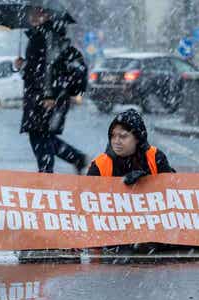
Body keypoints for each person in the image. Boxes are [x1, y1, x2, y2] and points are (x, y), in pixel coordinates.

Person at [88, 109, 179, 253]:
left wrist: (146, 183)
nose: (116, 141)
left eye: (123, 136)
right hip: (115, 231)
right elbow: (86, 204)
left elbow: (174, 194)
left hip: (154, 227)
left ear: (137, 138)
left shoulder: (156, 157)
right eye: (113, 136)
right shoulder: (100, 164)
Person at [14, 8, 88, 174]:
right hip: (39, 95)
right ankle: (75, 159)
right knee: (42, 136)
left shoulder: (47, 36)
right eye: (32, 13)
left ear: (47, 15)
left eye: (38, 13)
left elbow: (50, 68)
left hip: (46, 97)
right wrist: (23, 66)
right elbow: (36, 71)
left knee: (40, 137)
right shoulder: (39, 35)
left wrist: (50, 95)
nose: (32, 16)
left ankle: (47, 175)